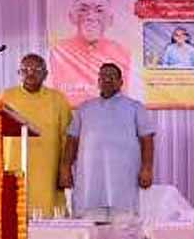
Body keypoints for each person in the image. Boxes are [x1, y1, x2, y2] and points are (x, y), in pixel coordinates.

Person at [59, 63, 155, 221]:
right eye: (103, 76)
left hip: (123, 182)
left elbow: (147, 139)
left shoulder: (135, 107)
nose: (107, 79)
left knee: (123, 228)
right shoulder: (85, 108)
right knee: (89, 229)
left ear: (121, 82)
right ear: (98, 81)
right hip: (90, 183)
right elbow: (72, 140)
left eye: (112, 76)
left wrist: (147, 169)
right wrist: (65, 168)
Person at [0, 54, 72, 217]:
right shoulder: (6, 97)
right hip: (14, 169)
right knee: (14, 217)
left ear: (46, 74)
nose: (30, 73)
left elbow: (67, 137)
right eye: (25, 69)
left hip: (48, 172)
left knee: (48, 220)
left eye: (36, 69)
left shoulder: (57, 99)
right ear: (19, 73)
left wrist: (65, 168)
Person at [49, 0, 131, 107]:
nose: (91, 17)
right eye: (83, 10)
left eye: (99, 10)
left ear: (110, 19)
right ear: (71, 17)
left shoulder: (122, 53)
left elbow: (123, 98)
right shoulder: (58, 52)